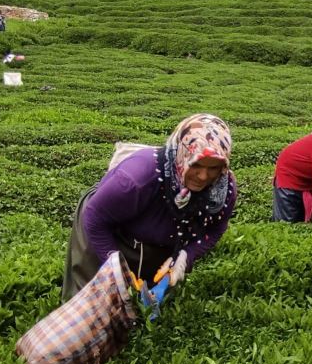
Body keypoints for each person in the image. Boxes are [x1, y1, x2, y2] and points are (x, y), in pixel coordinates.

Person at [62, 114, 237, 301]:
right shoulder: (136, 180)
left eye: (214, 168)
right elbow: (95, 218)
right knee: (92, 300)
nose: (203, 176)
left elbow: (217, 227)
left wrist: (187, 255)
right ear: (183, 155)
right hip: (105, 222)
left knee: (145, 302)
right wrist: (114, 265)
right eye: (197, 165)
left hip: (161, 233)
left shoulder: (222, 191)